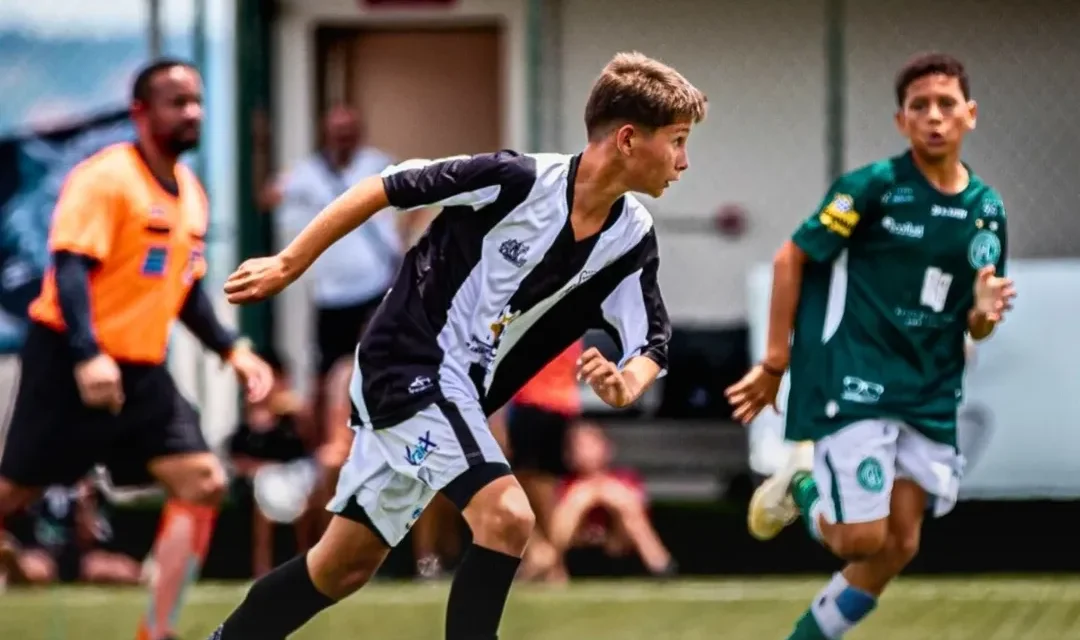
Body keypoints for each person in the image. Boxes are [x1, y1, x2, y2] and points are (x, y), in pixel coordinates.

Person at [208, 51, 706, 640]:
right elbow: (386, 187)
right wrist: (289, 263)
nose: (684, 160)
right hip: (408, 364)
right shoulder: (516, 179)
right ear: (627, 139)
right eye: (676, 141)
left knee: (341, 567)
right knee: (508, 516)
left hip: (457, 395)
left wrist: (628, 382)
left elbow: (652, 338)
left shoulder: (631, 236)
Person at [724, 52, 1015, 640]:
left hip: (930, 391)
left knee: (898, 544)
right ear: (901, 120)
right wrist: (776, 361)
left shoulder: (986, 210)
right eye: (919, 107)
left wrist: (982, 317)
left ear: (971, 114)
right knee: (860, 538)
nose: (934, 116)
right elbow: (792, 256)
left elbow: (977, 322)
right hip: (856, 379)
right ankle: (804, 485)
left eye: (947, 104)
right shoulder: (875, 188)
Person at [0, 58, 274, 640]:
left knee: (203, 480)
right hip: (71, 362)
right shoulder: (104, 178)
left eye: (197, 100)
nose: (192, 111)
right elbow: (70, 269)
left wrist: (233, 352)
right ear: (141, 113)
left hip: (143, 372)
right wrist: (86, 354)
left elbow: (185, 291)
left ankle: (158, 630)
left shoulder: (192, 196)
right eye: (177, 101)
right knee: (11, 494)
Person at [490, 339, 583, 582]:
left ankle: (545, 555)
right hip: (561, 405)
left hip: (534, 404)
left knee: (523, 487)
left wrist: (498, 421)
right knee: (542, 490)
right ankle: (552, 562)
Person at [547, 422, 675, 580]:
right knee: (575, 501)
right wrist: (581, 499)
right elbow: (557, 528)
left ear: (606, 448)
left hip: (618, 544)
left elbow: (640, 515)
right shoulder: (565, 484)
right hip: (579, 546)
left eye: (591, 445)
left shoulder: (626, 478)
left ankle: (660, 565)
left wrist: (609, 494)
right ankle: (552, 569)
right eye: (578, 446)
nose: (585, 452)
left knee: (622, 498)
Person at [0, 482, 145, 588]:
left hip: (80, 555)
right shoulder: (28, 478)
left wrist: (85, 508)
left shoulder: (87, 483)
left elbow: (90, 535)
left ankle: (154, 571)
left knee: (120, 571)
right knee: (41, 571)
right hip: (40, 550)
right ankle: (14, 569)